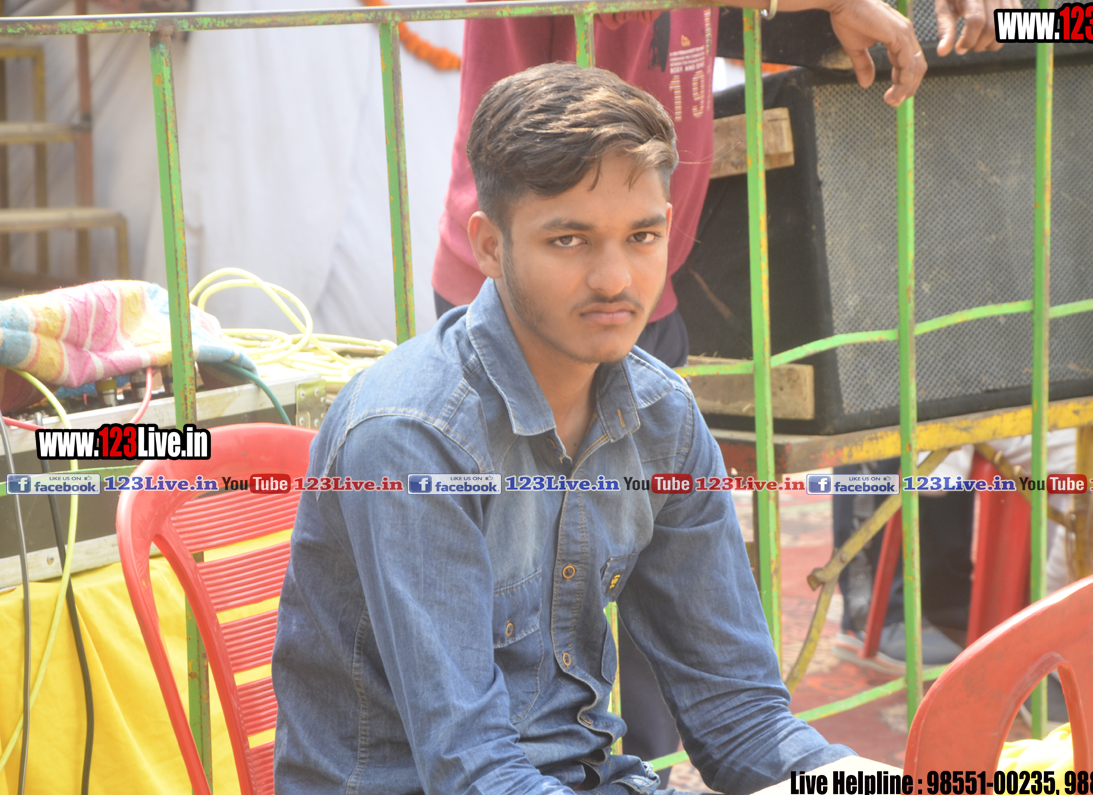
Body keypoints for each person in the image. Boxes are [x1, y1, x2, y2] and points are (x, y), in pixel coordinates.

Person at [273, 62, 887, 794]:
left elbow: (740, 716)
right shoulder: (412, 438)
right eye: (569, 240)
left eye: (642, 236)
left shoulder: (662, 419)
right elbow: (472, 772)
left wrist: (857, 782)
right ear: (490, 246)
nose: (615, 279)